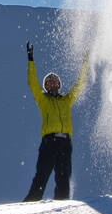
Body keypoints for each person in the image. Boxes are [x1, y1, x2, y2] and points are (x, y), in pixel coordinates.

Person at [23, 41, 89, 202]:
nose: (52, 82)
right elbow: (32, 83)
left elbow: (80, 85)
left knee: (63, 176)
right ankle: (30, 202)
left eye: (55, 81)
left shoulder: (66, 100)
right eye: (49, 81)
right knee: (42, 173)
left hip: (65, 142)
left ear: (59, 85)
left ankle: (63, 204)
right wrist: (30, 59)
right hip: (49, 141)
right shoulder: (43, 100)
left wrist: (85, 63)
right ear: (45, 86)